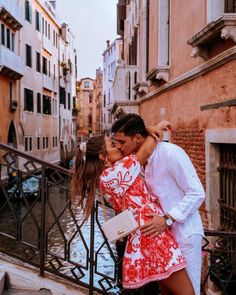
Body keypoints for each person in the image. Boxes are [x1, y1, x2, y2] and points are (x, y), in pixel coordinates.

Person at [72, 126, 194, 294]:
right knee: (187, 292)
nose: (119, 147)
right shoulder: (112, 175)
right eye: (113, 146)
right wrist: (156, 129)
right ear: (102, 156)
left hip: (148, 233)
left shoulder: (113, 172)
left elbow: (135, 144)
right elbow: (146, 149)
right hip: (153, 236)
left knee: (168, 291)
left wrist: (146, 128)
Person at [111, 113, 205, 295]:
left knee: (189, 291)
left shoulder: (171, 154)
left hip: (185, 235)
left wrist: (167, 220)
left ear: (137, 138)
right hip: (162, 239)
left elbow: (197, 192)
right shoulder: (139, 162)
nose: (119, 147)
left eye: (122, 142)